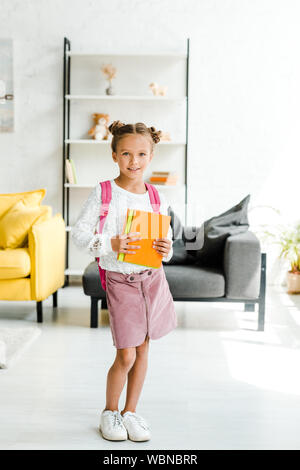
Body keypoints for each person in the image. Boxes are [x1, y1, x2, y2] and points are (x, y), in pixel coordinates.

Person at [71, 120, 177, 442]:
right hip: (121, 281)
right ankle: (110, 411)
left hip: (152, 280)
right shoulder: (105, 192)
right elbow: (79, 234)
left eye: (142, 154)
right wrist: (111, 244)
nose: (134, 161)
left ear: (152, 155)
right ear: (114, 155)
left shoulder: (156, 195)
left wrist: (167, 248)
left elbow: (166, 240)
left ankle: (130, 412)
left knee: (143, 351)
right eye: (127, 154)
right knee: (126, 354)